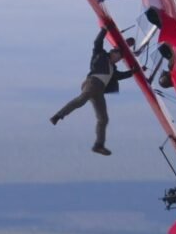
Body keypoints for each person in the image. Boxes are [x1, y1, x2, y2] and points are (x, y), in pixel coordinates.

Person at [50, 26, 135, 156]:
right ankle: (58, 116)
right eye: (118, 55)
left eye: (120, 57)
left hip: (99, 91)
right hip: (92, 82)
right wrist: (104, 30)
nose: (119, 58)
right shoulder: (100, 55)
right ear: (112, 52)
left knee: (103, 118)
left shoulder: (112, 69)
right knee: (82, 100)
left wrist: (134, 71)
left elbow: (121, 76)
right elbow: (97, 43)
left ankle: (98, 145)